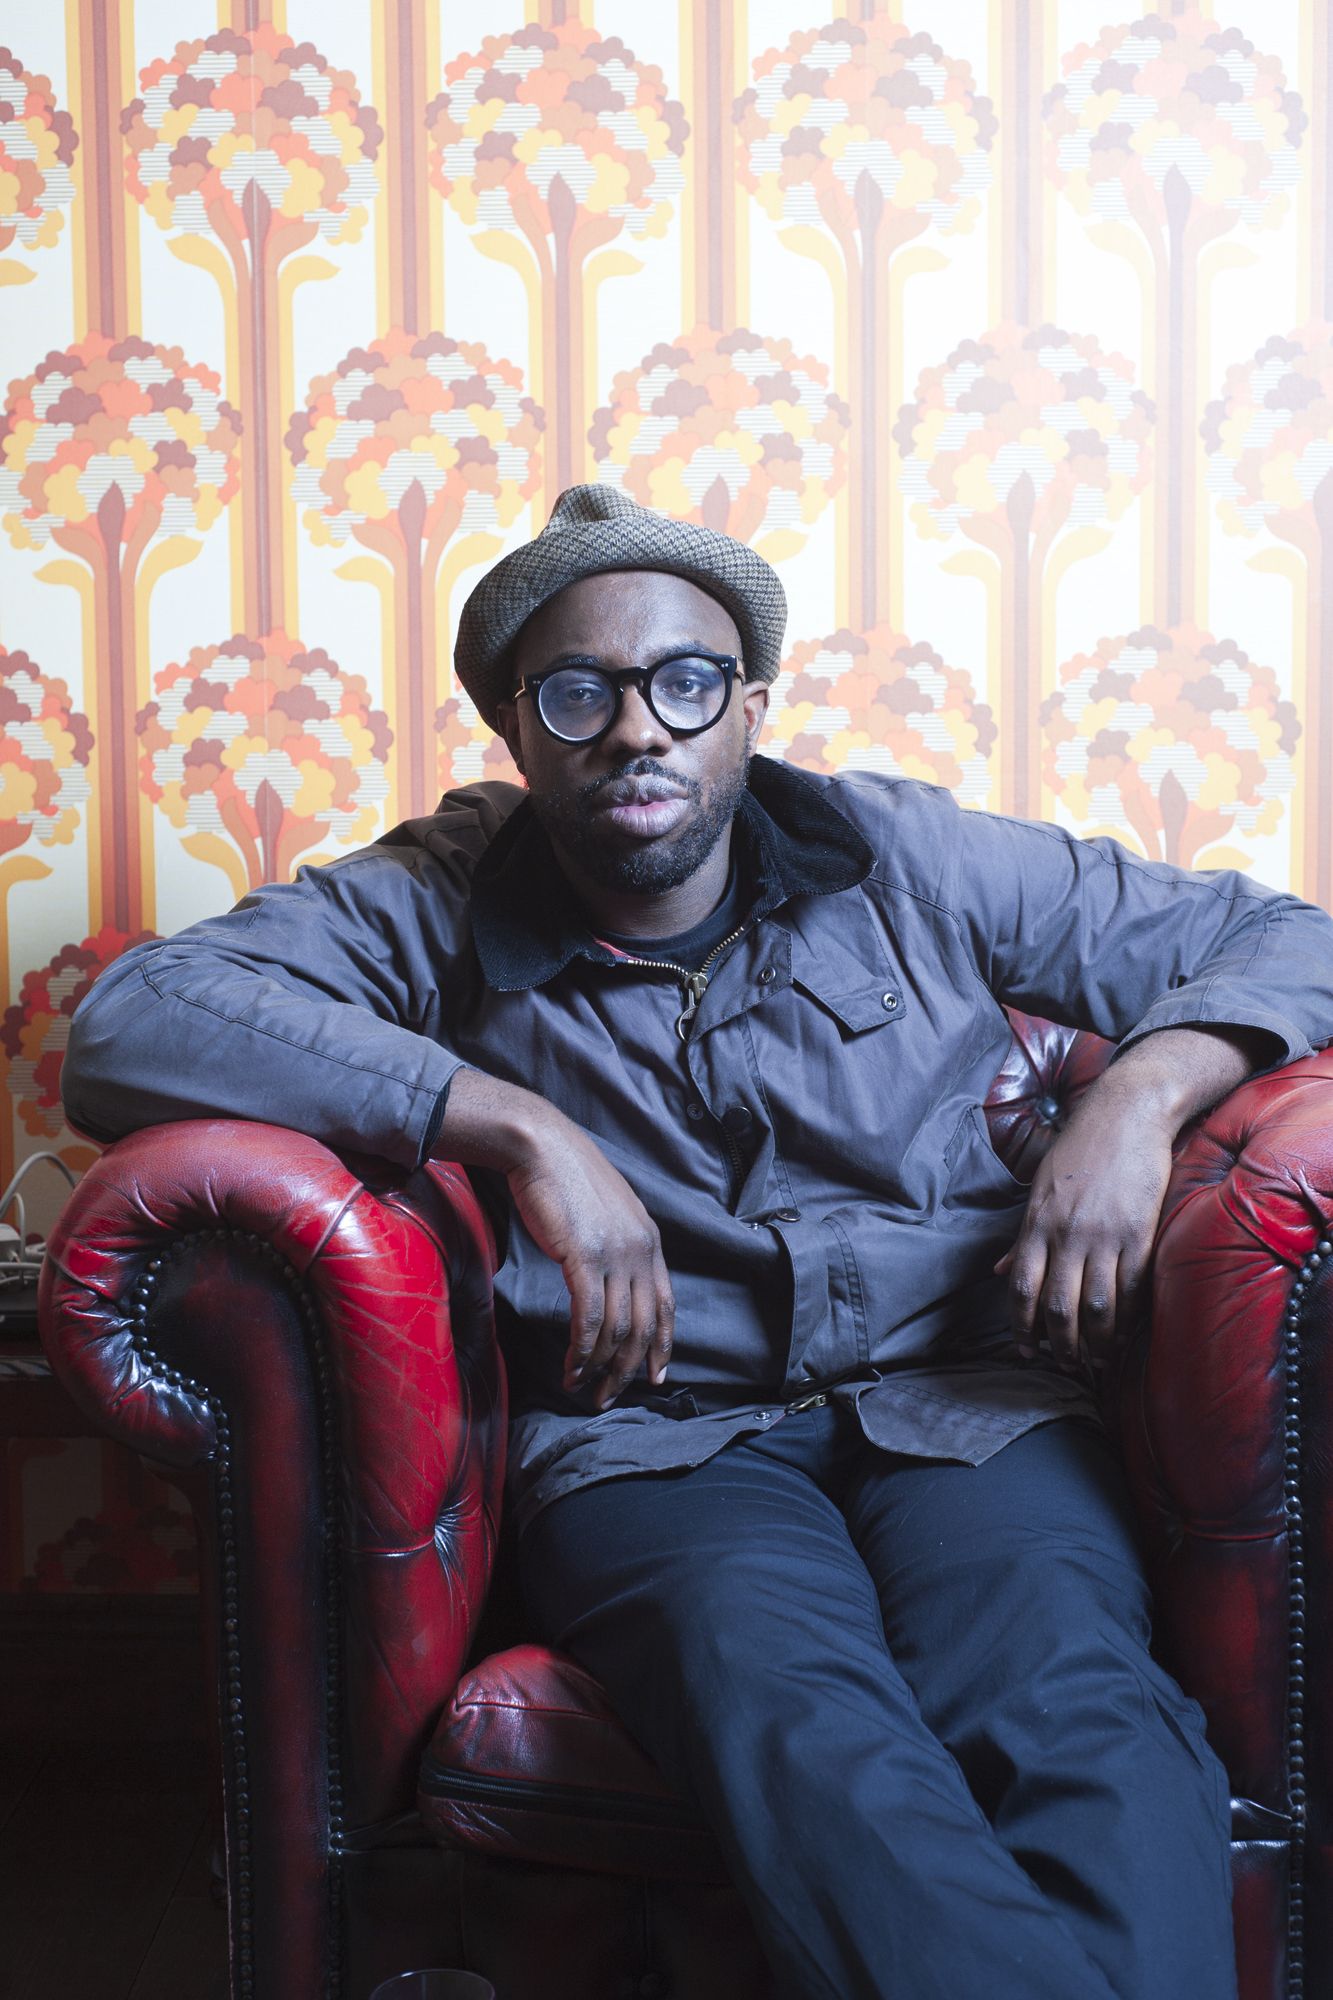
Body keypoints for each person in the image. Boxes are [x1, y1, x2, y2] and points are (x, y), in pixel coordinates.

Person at [63, 484, 1333, 2000]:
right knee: (795, 1721)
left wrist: (1139, 1096)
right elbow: (135, 1019)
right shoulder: (438, 893)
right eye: (577, 693)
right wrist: (513, 1125)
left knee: (1083, 1709)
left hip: (966, 1409)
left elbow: (1290, 937)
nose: (635, 731)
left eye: (684, 683)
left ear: (748, 708)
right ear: (516, 729)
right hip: (652, 1445)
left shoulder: (906, 854)